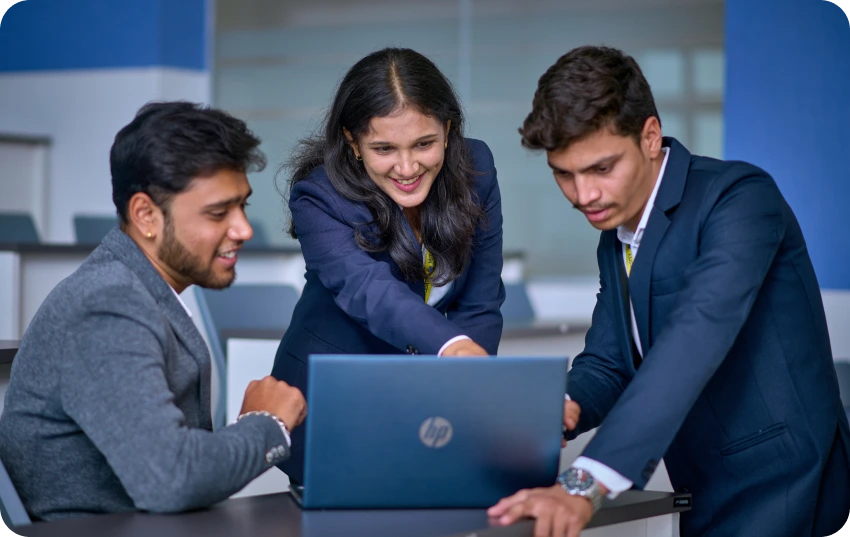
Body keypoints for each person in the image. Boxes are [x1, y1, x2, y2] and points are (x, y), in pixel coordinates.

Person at [488, 46, 850, 536]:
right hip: (703, 492)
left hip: (789, 489)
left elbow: (693, 339)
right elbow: (611, 361)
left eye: (600, 168)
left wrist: (584, 483)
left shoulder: (739, 197)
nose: (583, 195)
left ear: (650, 137)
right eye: (563, 174)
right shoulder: (615, 235)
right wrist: (557, 409)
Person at [0, 102, 307, 521]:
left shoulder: (139, 288)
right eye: (218, 213)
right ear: (146, 214)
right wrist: (268, 424)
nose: (244, 229)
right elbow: (171, 477)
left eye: (243, 206)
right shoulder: (106, 304)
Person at [270, 47, 505, 484]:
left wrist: (475, 389)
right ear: (353, 143)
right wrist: (453, 347)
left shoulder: (477, 169)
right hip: (334, 401)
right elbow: (368, 290)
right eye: (384, 148)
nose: (407, 167)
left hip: (428, 405)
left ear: (449, 131)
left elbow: (482, 302)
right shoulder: (317, 196)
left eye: (424, 143)